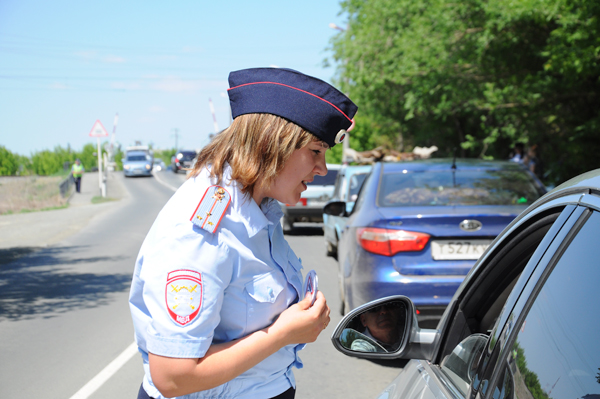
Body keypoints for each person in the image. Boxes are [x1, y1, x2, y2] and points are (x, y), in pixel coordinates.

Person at [129, 67, 358, 399]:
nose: (322, 169)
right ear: (272, 143)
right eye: (315, 151)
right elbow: (174, 377)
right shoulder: (202, 231)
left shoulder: (258, 208)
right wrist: (282, 334)